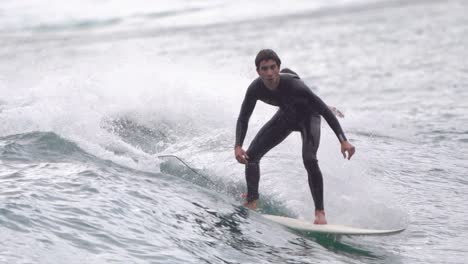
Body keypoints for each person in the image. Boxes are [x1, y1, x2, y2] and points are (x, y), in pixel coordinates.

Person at [234, 49, 355, 224]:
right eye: (264, 68)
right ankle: (252, 200)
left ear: (278, 68)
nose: (269, 73)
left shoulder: (294, 85)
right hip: (287, 117)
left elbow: (321, 111)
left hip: (309, 117)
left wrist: (343, 140)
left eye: (272, 67)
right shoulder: (255, 89)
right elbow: (243, 117)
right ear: (258, 71)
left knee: (309, 159)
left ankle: (320, 213)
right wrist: (238, 145)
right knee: (251, 157)